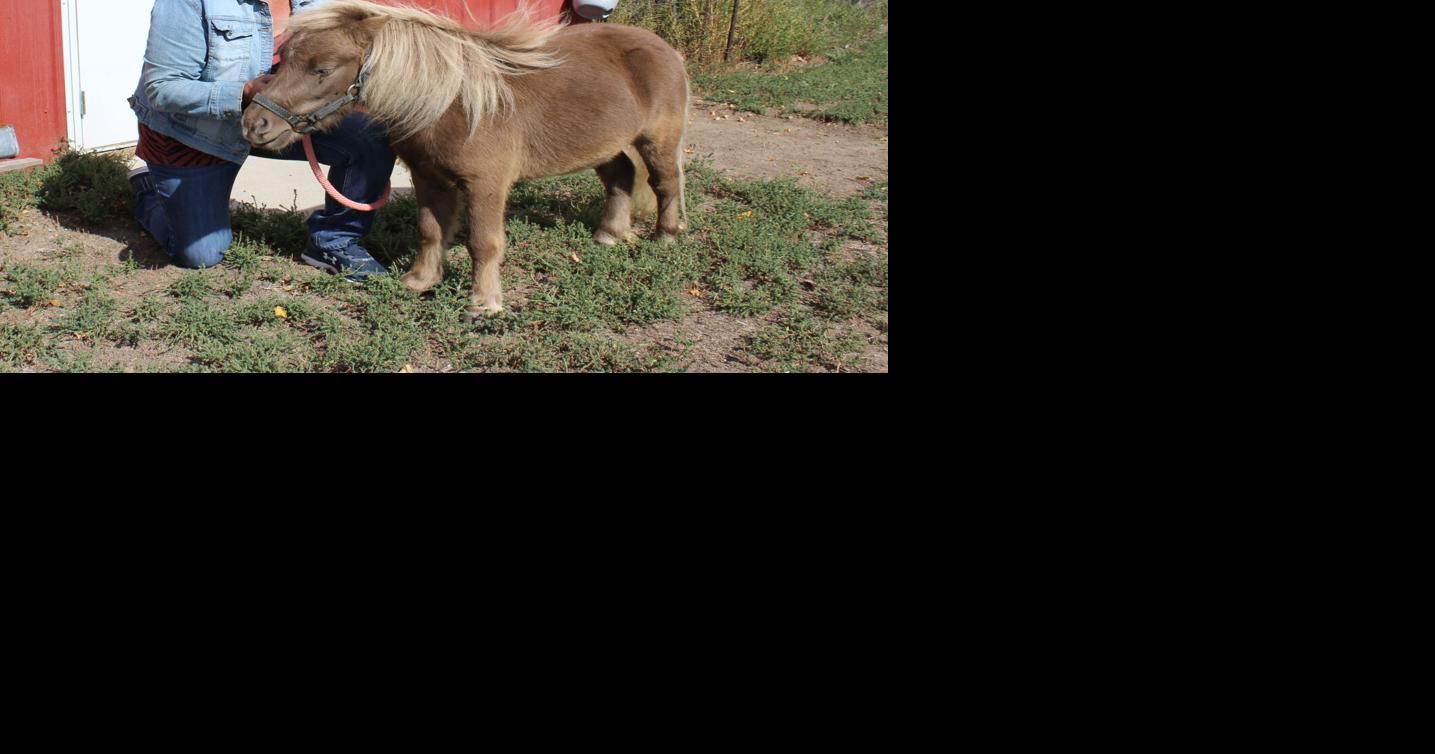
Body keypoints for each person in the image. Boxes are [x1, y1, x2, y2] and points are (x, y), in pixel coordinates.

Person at [127, 0, 395, 281]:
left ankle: (333, 241)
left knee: (370, 135)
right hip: (195, 134)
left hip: (276, 117)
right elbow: (163, 88)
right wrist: (246, 90)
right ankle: (149, 190)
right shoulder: (187, 3)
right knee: (201, 255)